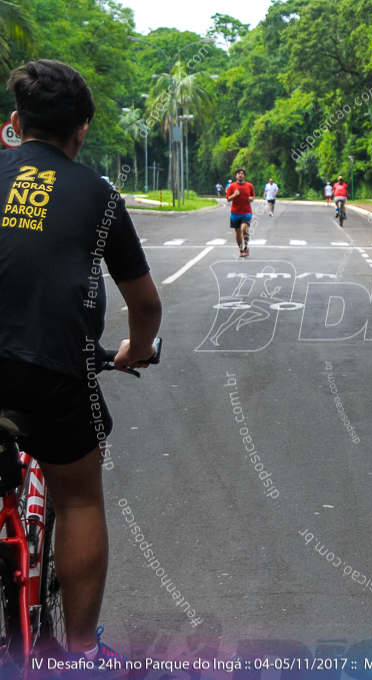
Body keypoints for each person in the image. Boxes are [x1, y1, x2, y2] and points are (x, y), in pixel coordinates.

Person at [0, 59, 163, 665]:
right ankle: (78, 652)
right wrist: (136, 350)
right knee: (77, 499)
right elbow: (144, 302)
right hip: (53, 368)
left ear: (17, 123)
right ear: (83, 130)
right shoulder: (98, 195)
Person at [226, 168, 255, 257]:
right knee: (238, 232)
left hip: (246, 212)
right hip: (235, 213)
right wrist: (235, 195)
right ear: (236, 176)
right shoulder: (232, 186)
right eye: (238, 173)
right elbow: (228, 199)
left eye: (242, 173)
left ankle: (246, 246)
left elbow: (253, 196)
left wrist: (251, 199)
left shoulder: (249, 185)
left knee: (244, 229)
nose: (240, 175)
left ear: (244, 175)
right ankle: (241, 249)